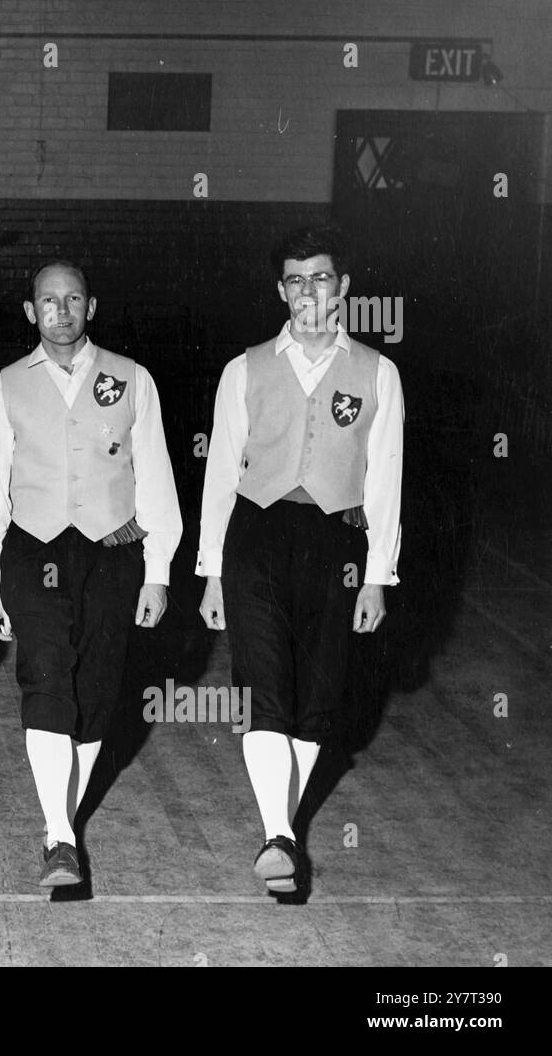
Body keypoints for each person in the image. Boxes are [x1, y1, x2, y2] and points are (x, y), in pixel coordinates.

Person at [196, 224, 404, 895]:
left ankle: (280, 826)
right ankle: (278, 834)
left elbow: (385, 481)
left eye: (320, 277)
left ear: (342, 286)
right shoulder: (246, 367)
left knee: (319, 697)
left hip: (337, 543)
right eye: (294, 279)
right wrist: (210, 570)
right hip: (256, 537)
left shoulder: (378, 372)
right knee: (264, 684)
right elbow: (220, 473)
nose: (307, 291)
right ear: (279, 289)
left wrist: (377, 574)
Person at [0, 260, 182, 887]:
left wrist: (158, 571)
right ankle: (61, 838)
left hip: (112, 551)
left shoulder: (133, 378)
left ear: (90, 308)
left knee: (96, 692)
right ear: (29, 311)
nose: (60, 310)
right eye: (47, 300)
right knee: (46, 678)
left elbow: (156, 480)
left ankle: (60, 819)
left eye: (72, 299)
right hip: (34, 550)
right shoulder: (4, 386)